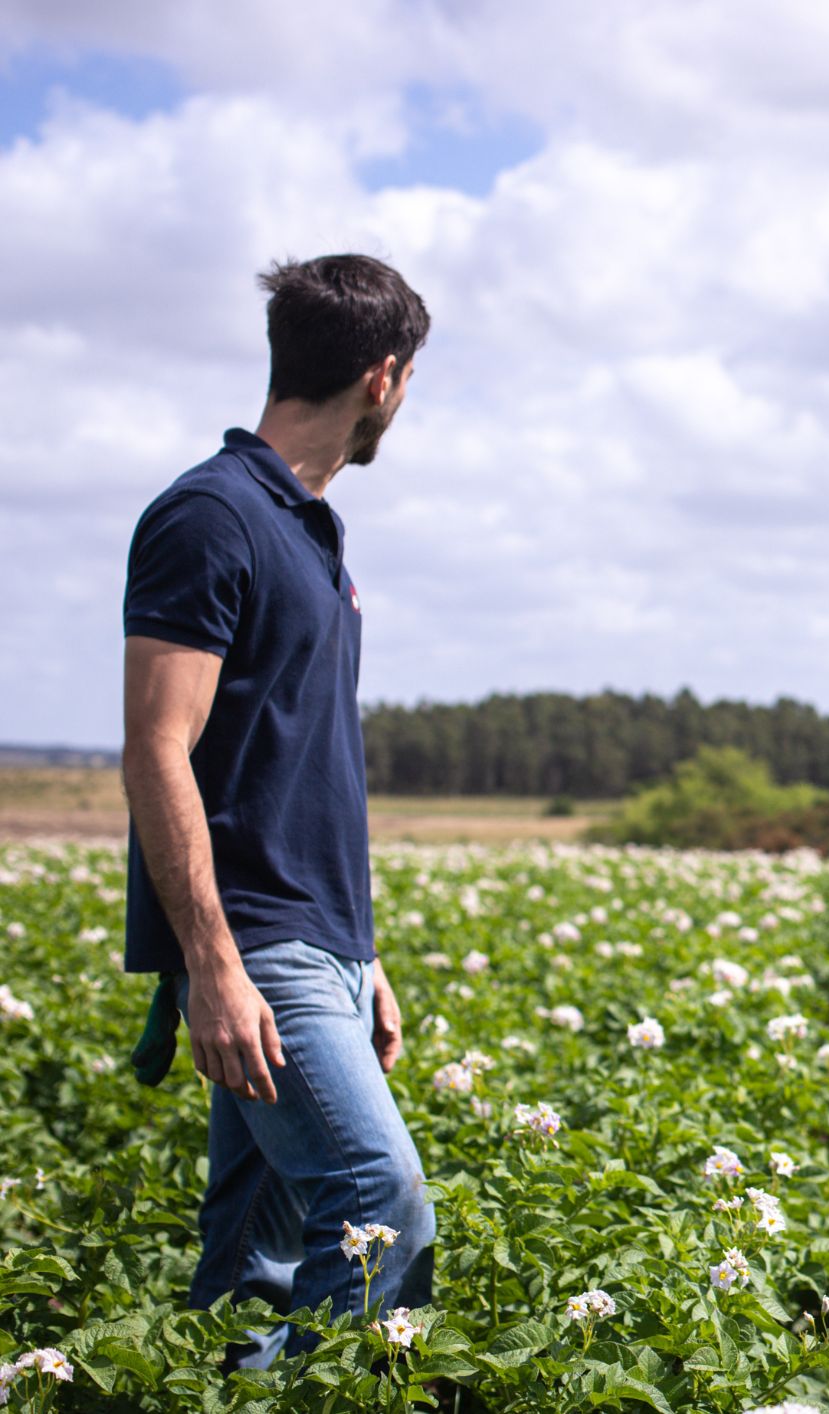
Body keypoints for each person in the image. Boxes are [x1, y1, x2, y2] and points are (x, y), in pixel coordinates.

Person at [121, 254, 435, 1367]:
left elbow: (299, 770)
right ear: (384, 378)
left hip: (317, 944)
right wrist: (212, 962)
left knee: (248, 1262)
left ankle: (197, 1391)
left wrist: (364, 953)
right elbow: (159, 746)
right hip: (257, 944)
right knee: (380, 1196)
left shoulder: (310, 534)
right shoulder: (211, 516)